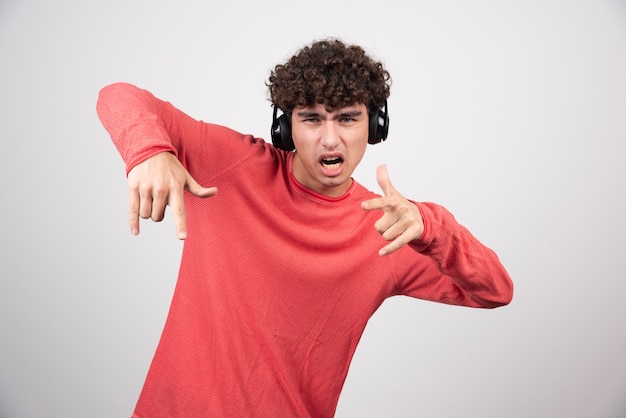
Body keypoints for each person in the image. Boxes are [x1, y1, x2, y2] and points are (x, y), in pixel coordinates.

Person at [96, 38, 513, 418]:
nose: (330, 139)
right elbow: (119, 96)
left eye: (348, 119)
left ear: (375, 126)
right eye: (312, 119)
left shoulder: (390, 228)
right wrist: (149, 150)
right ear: (285, 127)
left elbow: (496, 290)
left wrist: (432, 227)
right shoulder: (231, 165)